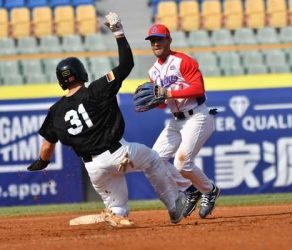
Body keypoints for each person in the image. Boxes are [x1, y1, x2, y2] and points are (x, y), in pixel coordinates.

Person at [27, 13, 186, 227]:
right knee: (153, 159)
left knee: (118, 207)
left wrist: (42, 162)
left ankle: (115, 214)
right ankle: (175, 203)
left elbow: (47, 145)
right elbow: (127, 64)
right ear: (81, 72)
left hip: (94, 168)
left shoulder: (55, 112)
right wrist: (118, 32)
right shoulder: (97, 90)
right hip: (118, 153)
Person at [144, 24, 220, 219]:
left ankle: (209, 190)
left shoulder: (183, 61)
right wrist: (156, 102)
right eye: (152, 40)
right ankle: (190, 189)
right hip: (177, 120)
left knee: (181, 163)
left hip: (197, 116)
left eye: (160, 39)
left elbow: (198, 89)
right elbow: (163, 104)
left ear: (169, 40)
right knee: (155, 160)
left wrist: (168, 92)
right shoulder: (153, 72)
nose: (156, 43)